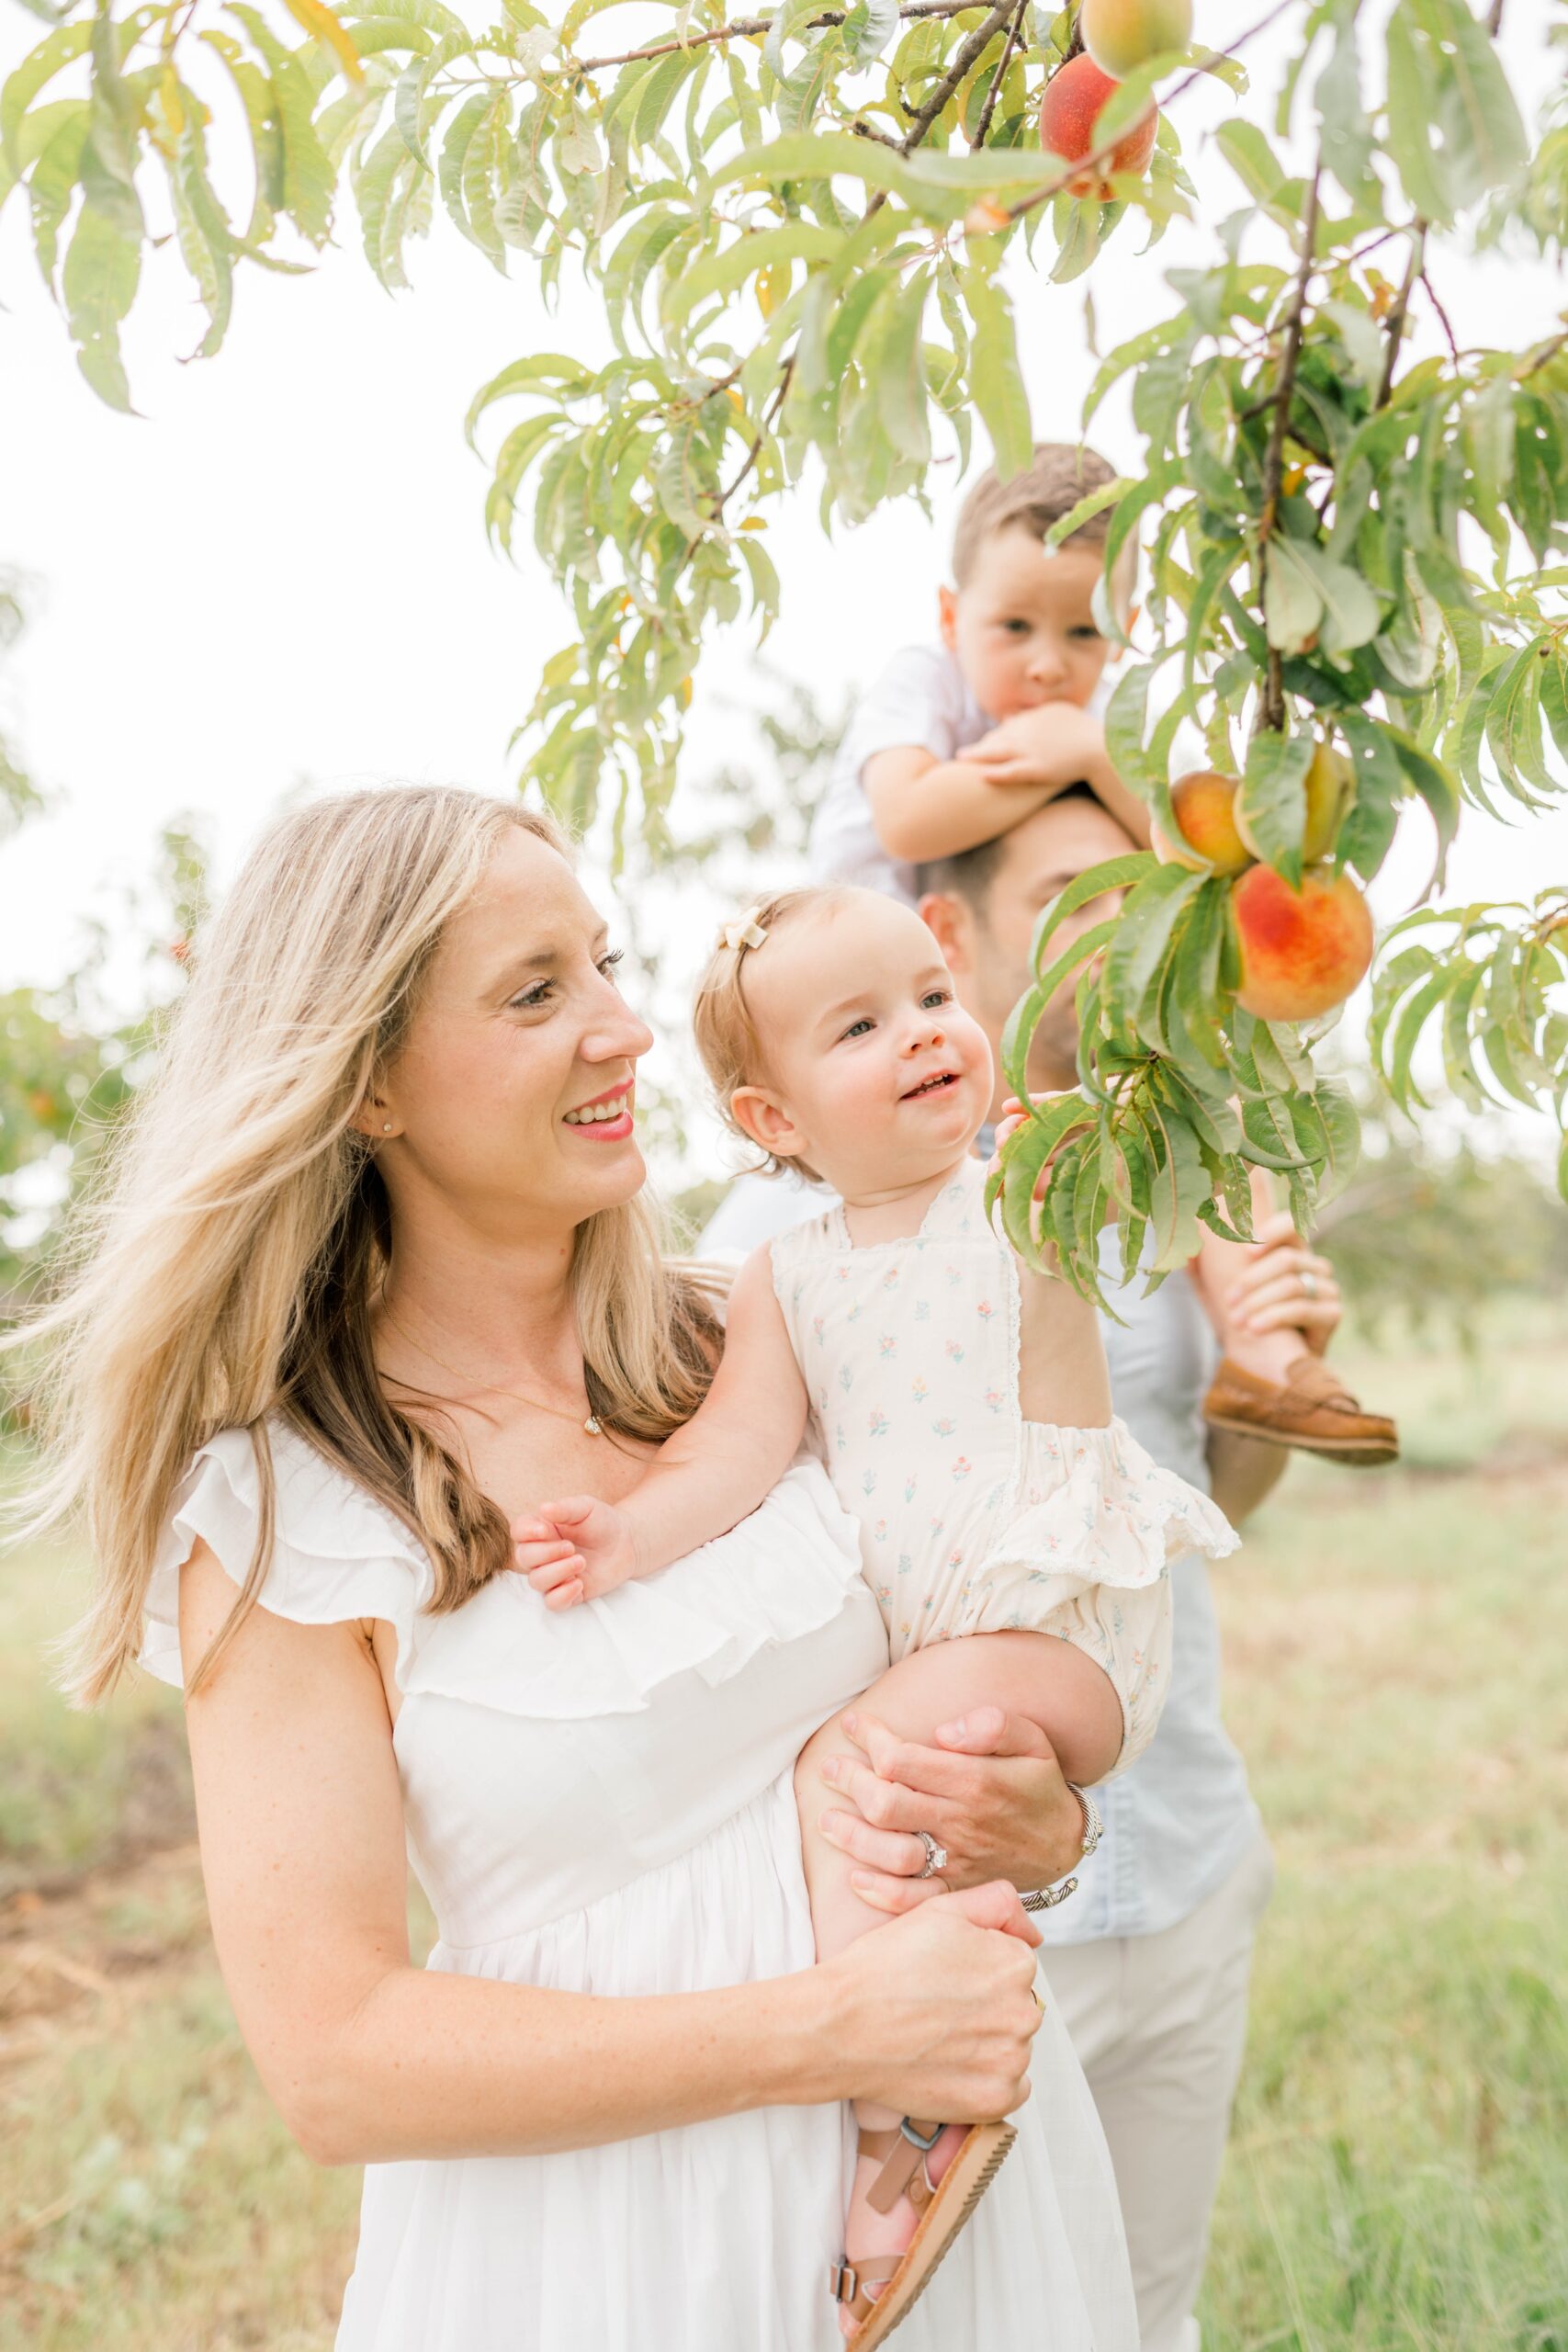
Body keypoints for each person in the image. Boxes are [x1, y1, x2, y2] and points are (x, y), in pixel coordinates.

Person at [12, 785, 1139, 2352]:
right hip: (603, 2259)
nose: (623, 1030)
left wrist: (1042, 1821)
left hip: (941, 2205)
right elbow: (334, 2059)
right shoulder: (287, 1515)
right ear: (372, 1087)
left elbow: (998, 1613)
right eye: (538, 992)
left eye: (604, 967)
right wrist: (824, 2032)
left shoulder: (756, 1336)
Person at [699, 787, 1372, 2352]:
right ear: (966, 921)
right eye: (1070, 891)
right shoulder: (792, 1235)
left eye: (1136, 892)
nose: (1116, 928)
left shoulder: (1133, 1176)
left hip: (1181, 1845)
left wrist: (1260, 1387)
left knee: (1147, 2309)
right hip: (949, 1896)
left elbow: (1210, 1502)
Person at [514, 883, 1236, 2337]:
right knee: (875, 1820)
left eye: (928, 997)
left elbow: (1150, 1119)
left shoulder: (1030, 1180)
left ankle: (897, 2117)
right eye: (858, 1026)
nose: (920, 1035)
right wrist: (628, 1532)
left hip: (1050, 1617)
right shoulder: (785, 1273)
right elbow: (728, 1451)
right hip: (943, 1652)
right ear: (771, 1121)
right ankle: (923, 2067)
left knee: (839, 1768)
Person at [807, 438, 1393, 1462]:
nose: (1045, 661)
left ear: (1120, 637)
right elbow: (907, 821)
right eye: (1014, 626)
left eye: (1083, 632)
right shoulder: (923, 685)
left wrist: (1087, 749)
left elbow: (1190, 856)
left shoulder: (1091, 728)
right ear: (952, 620)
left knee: (1215, 1096)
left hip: (975, 1029)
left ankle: (1265, 1348)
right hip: (858, 1011)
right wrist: (1080, 756)